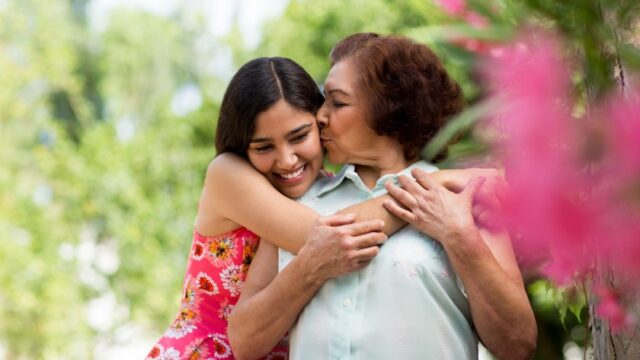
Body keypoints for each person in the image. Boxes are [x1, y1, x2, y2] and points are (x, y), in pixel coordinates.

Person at [145, 56, 486, 360]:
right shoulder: (229, 174)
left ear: (321, 124)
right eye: (264, 146)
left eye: (299, 136)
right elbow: (334, 238)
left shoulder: (326, 191)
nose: (286, 160)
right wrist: (438, 183)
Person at [228, 33, 537, 360]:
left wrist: (459, 235)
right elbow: (244, 343)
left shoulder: (466, 198)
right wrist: (308, 267)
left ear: (389, 109)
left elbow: (518, 345)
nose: (320, 116)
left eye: (337, 102)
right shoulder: (297, 205)